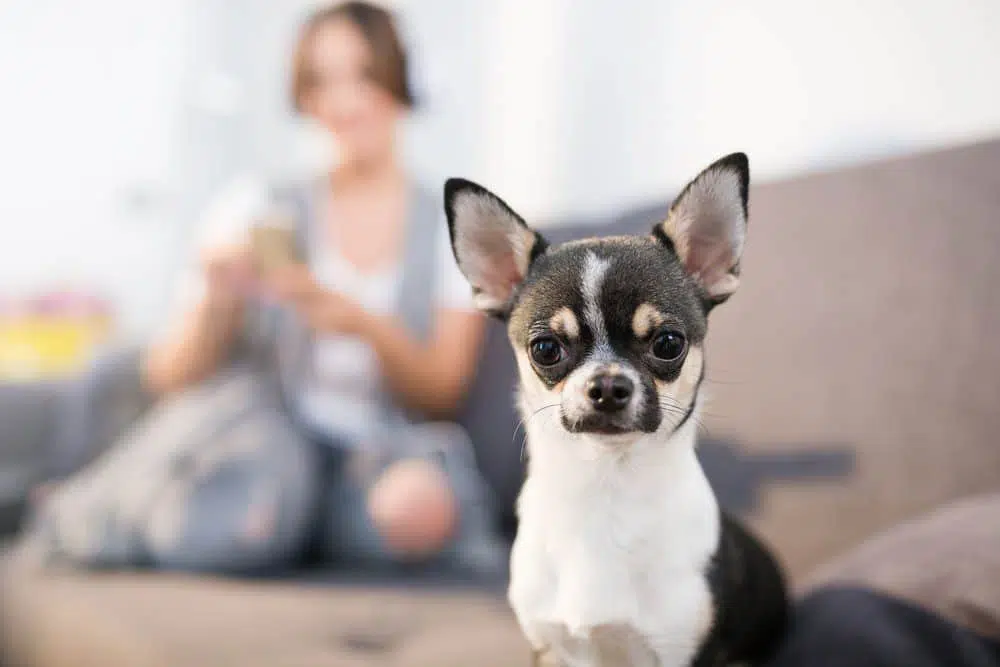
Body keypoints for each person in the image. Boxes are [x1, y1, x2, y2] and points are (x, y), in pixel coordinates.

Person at [141, 1, 498, 573]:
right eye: (321, 81)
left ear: (400, 81)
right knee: (252, 508)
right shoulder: (253, 206)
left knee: (416, 510)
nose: (343, 103)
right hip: (268, 440)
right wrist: (217, 301)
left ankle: (306, 523)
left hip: (381, 449)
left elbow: (440, 393)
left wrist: (363, 325)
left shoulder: (449, 226)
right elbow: (167, 376)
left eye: (362, 74)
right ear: (302, 97)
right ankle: (288, 519)